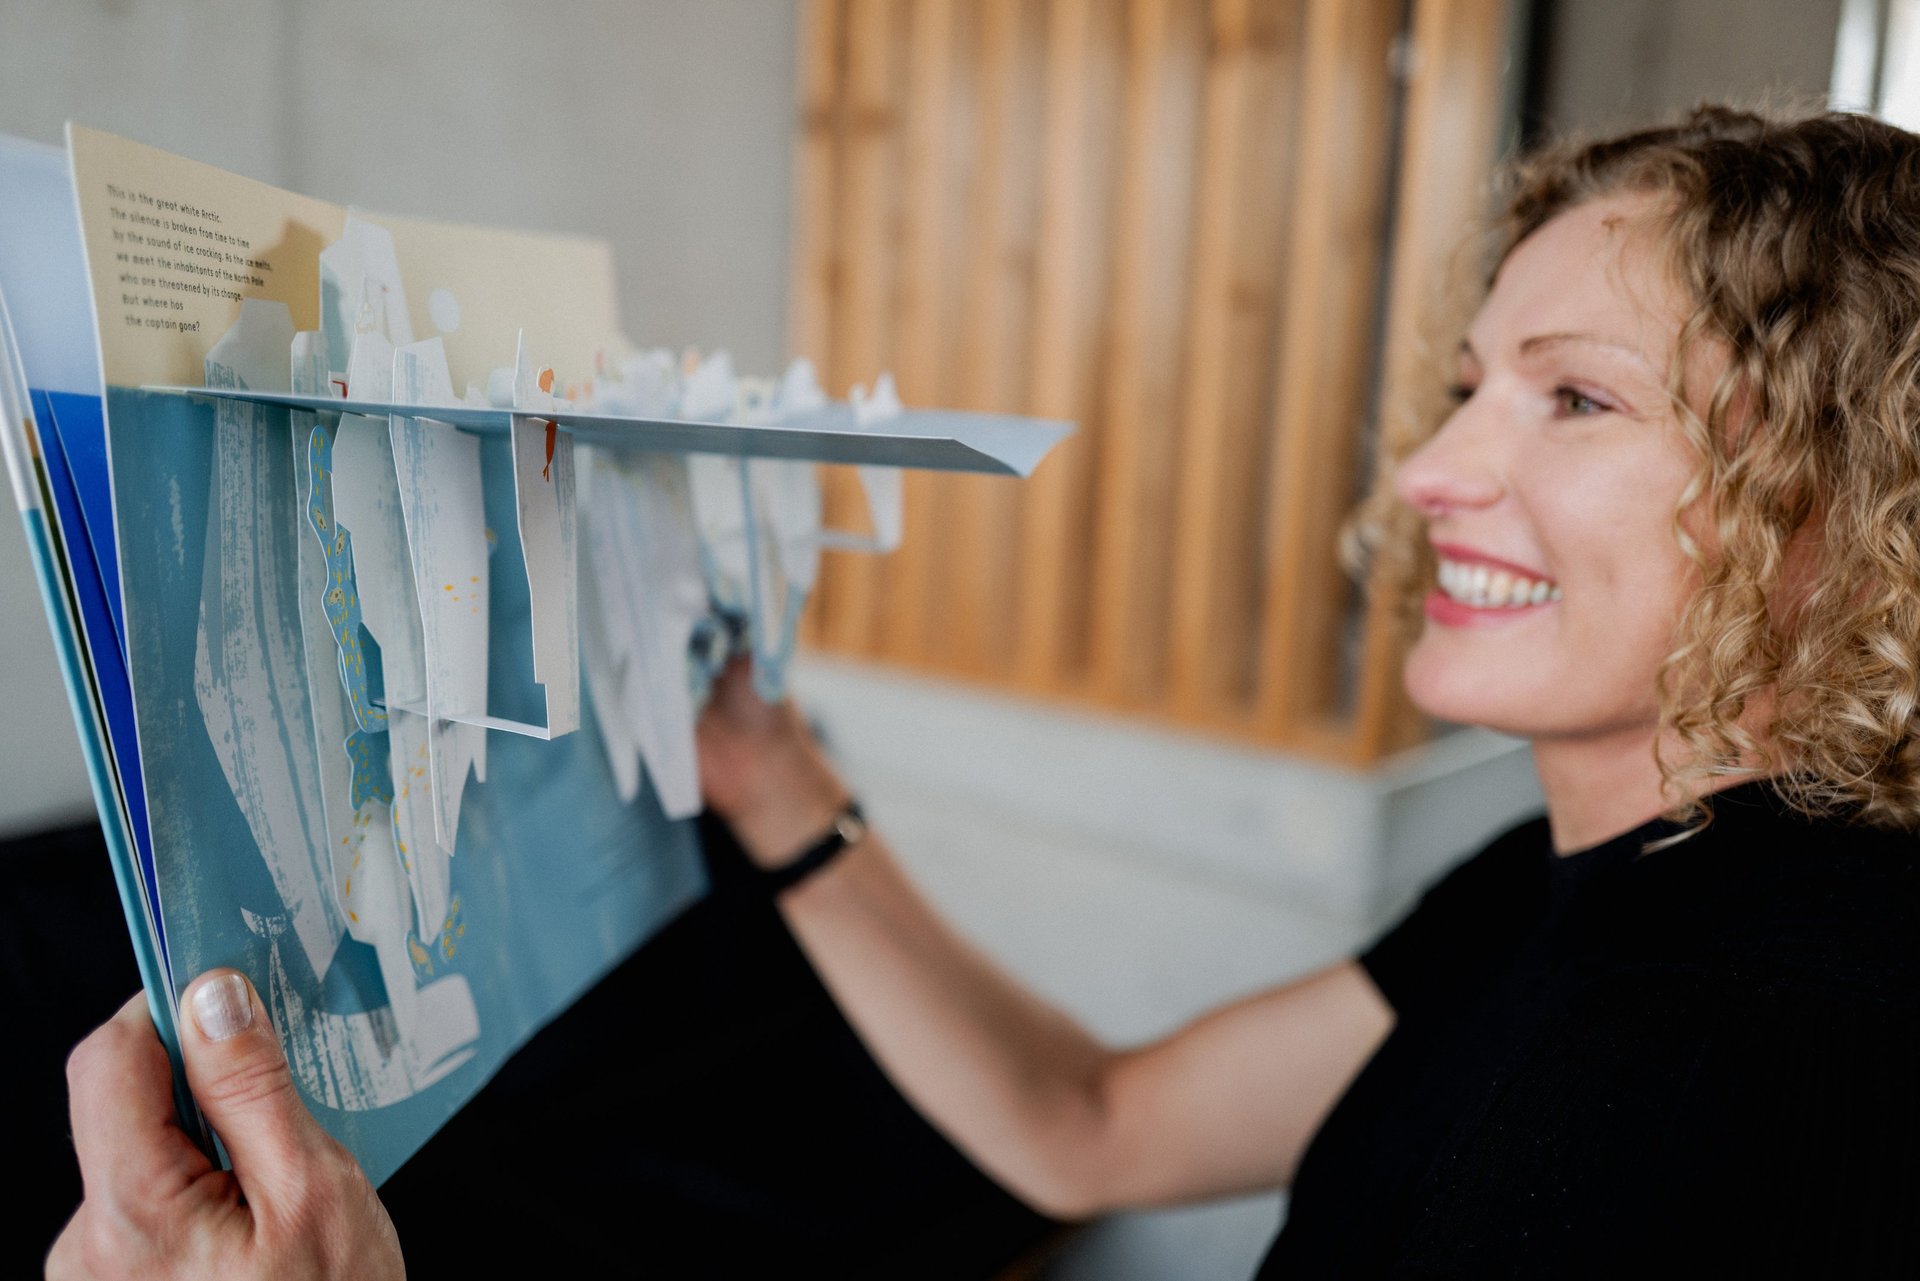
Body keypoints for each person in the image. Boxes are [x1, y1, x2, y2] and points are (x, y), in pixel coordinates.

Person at [50, 104, 1919, 1278]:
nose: (1433, 470)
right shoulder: (1593, 882)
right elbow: (1086, 1119)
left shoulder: (1732, 1053)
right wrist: (771, 776)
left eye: (1576, 396)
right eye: (1466, 386)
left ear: (1844, 497)